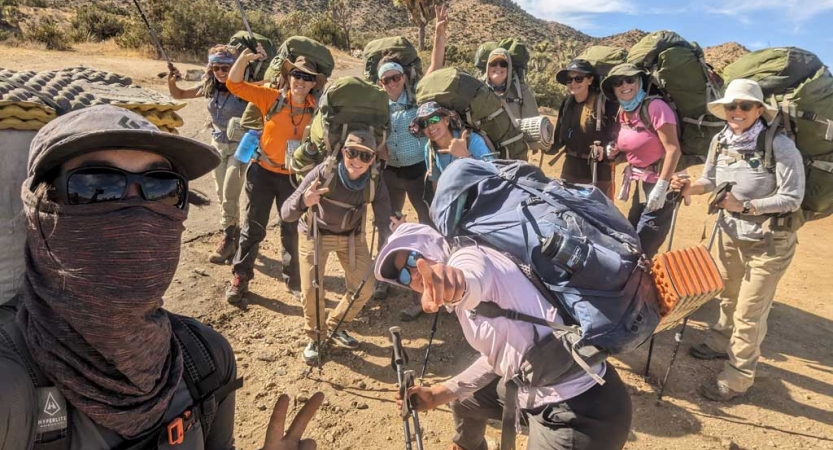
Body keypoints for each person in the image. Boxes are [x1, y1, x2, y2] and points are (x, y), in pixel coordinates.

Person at [0, 105, 242, 448]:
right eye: (96, 186)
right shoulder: (10, 392)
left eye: (162, 187)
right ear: (41, 210)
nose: (139, 213)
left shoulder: (206, 360)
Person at [374, 223, 633, 450]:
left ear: (429, 245)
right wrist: (441, 393)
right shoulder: (466, 305)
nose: (414, 274)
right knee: (465, 402)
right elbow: (502, 356)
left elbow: (469, 280)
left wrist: (456, 286)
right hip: (535, 390)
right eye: (404, 275)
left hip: (582, 414)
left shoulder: (469, 258)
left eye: (412, 259)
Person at [671, 79, 805, 402]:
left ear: (759, 110)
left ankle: (737, 379)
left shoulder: (780, 146)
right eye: (731, 106)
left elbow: (793, 197)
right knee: (727, 295)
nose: (737, 111)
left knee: (749, 311)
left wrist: (746, 206)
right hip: (729, 233)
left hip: (770, 240)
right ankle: (719, 343)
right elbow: (710, 179)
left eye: (745, 105)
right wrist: (691, 188)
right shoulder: (721, 140)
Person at [281, 131, 404, 364]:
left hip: (352, 237)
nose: (356, 161)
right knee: (311, 291)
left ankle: (337, 326)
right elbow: (286, 212)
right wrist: (303, 201)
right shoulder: (323, 173)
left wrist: (395, 226)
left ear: (373, 160)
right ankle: (316, 338)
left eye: (365, 156)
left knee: (364, 288)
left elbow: (384, 219)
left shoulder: (374, 183)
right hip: (314, 235)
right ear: (343, 152)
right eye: (351, 153)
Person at [224, 48, 326, 304]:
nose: (301, 80)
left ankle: (294, 280)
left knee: (290, 228)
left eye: (307, 76)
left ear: (314, 83)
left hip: (294, 178)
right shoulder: (271, 98)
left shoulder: (317, 110)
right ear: (289, 77)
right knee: (253, 226)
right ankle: (240, 276)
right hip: (262, 173)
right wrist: (243, 60)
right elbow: (233, 84)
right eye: (296, 75)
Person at [372, 4, 448, 305]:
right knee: (386, 223)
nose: (392, 83)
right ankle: (384, 277)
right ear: (380, 83)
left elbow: (436, 68)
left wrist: (439, 34)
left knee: (427, 222)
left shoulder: (417, 97)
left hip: (419, 171)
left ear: (404, 77)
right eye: (386, 80)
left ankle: (431, 274)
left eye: (396, 78)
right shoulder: (376, 105)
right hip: (391, 172)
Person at [168, 45, 249, 265]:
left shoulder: (245, 89)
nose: (221, 72)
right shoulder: (210, 87)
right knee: (222, 194)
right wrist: (172, 78)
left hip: (243, 145)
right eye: (216, 68)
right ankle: (235, 233)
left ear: (235, 67)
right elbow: (180, 94)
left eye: (226, 67)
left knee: (230, 190)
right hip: (218, 144)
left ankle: (228, 238)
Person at [601, 63, 682, 258]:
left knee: (643, 245)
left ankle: (643, 285)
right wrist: (615, 150)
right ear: (612, 88)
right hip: (640, 184)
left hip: (661, 184)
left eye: (630, 80)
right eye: (618, 82)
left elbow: (673, 149)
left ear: (640, 82)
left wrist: (661, 187)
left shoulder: (655, 107)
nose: (624, 85)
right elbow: (634, 144)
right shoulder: (623, 112)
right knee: (631, 237)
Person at [553, 59, 618, 198]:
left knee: (597, 214)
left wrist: (607, 149)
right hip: (570, 168)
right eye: (569, 80)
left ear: (590, 80)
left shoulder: (604, 104)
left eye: (578, 78)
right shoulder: (567, 103)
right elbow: (558, 138)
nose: (573, 83)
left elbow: (616, 135)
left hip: (598, 171)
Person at [483, 47, 539, 123]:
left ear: (509, 68)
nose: (498, 66)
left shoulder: (522, 92)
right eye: (494, 63)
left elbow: (533, 125)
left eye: (503, 63)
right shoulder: (477, 91)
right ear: (487, 67)